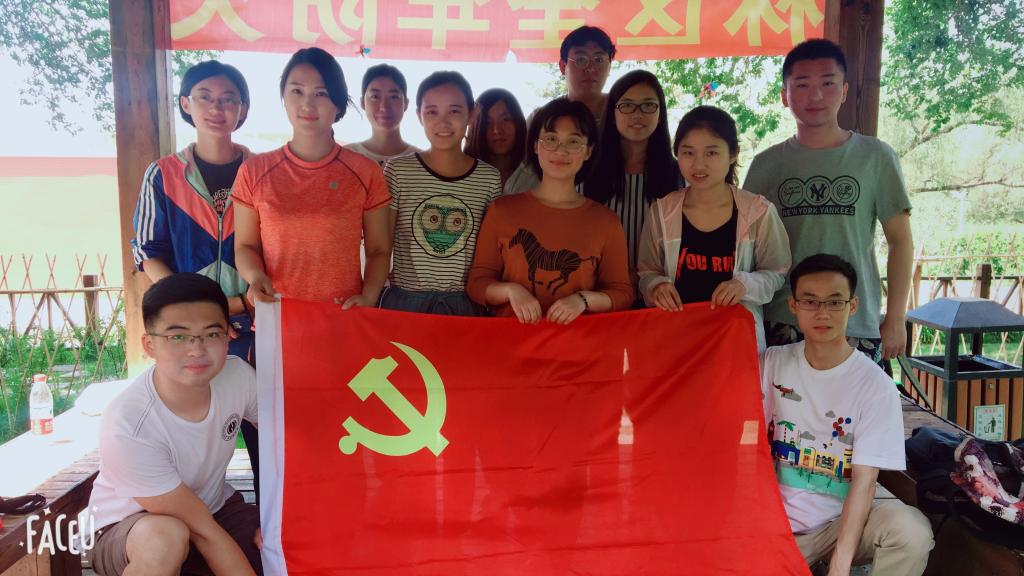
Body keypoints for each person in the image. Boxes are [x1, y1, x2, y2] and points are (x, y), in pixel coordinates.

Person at [129, 59, 260, 500]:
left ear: (243, 108)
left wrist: (244, 305)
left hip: (257, 327)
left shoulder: (263, 172)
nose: (216, 108)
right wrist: (198, 313)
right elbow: (148, 252)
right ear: (186, 104)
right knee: (188, 432)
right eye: (205, 97)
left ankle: (269, 528)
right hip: (193, 333)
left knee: (265, 436)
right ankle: (188, 524)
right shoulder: (163, 174)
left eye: (228, 99)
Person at [743, 39, 914, 366]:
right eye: (802, 85)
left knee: (859, 401)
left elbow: (900, 240)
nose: (816, 95)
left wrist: (895, 317)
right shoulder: (766, 165)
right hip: (783, 319)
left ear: (845, 91)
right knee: (784, 402)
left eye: (828, 83)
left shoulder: (876, 156)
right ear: (784, 96)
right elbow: (746, 249)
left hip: (854, 319)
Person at [761, 254, 933, 575]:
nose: (823, 312)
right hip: (772, 525)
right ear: (793, 305)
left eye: (834, 302)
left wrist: (840, 563)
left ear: (852, 306)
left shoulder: (875, 385)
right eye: (810, 301)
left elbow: (865, 480)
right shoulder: (771, 364)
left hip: (837, 524)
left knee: (910, 532)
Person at [88, 273, 262, 576]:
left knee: (290, 538)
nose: (197, 350)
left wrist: (280, 520)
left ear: (229, 335)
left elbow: (291, 442)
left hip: (215, 509)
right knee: (164, 540)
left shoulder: (237, 377)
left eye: (212, 334)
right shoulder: (130, 425)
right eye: (177, 337)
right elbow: (203, 531)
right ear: (150, 345)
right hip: (131, 526)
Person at [233, 47, 392, 307]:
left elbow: (379, 250)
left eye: (321, 93)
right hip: (277, 314)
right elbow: (245, 247)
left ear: (338, 103)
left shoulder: (366, 172)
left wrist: (369, 297)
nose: (307, 104)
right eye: (297, 91)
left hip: (343, 315)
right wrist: (255, 276)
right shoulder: (253, 171)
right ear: (284, 97)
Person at [637, 106, 790, 351]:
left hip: (735, 342)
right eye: (688, 152)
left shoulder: (757, 212)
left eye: (711, 153)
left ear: (733, 154)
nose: (699, 164)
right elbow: (647, 272)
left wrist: (744, 285)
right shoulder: (662, 212)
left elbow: (776, 273)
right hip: (676, 341)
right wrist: (656, 286)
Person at [468, 98, 633, 323]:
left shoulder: (607, 222)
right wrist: (510, 291)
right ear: (535, 146)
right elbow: (477, 283)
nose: (560, 150)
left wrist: (583, 300)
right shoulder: (501, 210)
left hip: (579, 342)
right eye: (551, 139)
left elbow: (622, 294)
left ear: (588, 151)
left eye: (573, 141)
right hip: (511, 341)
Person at [380, 72, 500, 315]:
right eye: (432, 112)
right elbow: (381, 248)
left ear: (472, 113)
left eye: (454, 111)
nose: (443, 123)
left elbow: (490, 256)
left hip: (466, 305)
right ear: (419, 115)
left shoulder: (489, 178)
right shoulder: (398, 171)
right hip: (406, 303)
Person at [584, 70, 678, 289]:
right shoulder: (585, 173)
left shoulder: (681, 176)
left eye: (648, 105)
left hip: (662, 296)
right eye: (627, 105)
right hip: (599, 296)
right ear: (612, 114)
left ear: (660, 114)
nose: (638, 114)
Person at [504, 25, 616, 195]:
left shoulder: (623, 113)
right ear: (563, 66)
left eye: (599, 60)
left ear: (609, 66)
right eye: (581, 59)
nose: (591, 68)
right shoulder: (541, 118)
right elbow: (523, 172)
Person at [344, 64, 419, 164]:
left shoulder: (424, 161)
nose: (384, 107)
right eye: (375, 97)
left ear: (406, 103)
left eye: (393, 97)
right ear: (362, 103)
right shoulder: (345, 157)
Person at [465, 88, 527, 188]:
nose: (496, 130)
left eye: (505, 119)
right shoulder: (459, 173)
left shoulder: (536, 175)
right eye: (487, 122)